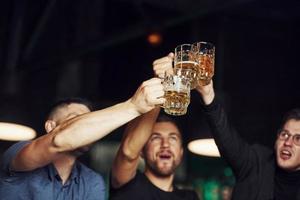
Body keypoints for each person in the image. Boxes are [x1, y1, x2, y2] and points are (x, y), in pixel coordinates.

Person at [154, 53, 300, 199]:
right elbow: (228, 140)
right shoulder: (257, 162)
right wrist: (208, 95)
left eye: (297, 139)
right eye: (284, 134)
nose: (287, 142)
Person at [0, 77, 165, 200]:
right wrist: (133, 106)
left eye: (90, 122)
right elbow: (58, 141)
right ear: (51, 127)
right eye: (76, 120)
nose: (89, 130)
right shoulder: (17, 153)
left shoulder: (92, 181)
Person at [109, 54, 199, 200]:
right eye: (156, 138)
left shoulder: (190, 197)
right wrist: (162, 83)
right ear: (142, 151)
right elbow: (128, 152)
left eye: (173, 138)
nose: (165, 145)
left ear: (182, 152)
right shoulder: (127, 184)